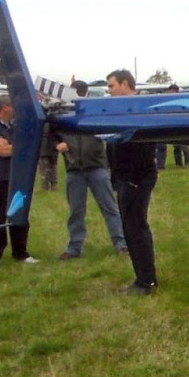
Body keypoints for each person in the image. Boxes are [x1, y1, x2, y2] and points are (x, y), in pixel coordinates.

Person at [54, 80, 127, 260]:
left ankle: (121, 243)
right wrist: (57, 144)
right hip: (74, 170)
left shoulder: (94, 109)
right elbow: (50, 134)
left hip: (97, 167)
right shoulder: (61, 112)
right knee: (76, 211)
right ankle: (74, 248)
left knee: (109, 207)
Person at [106, 69, 159, 294]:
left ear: (125, 84)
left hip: (135, 177)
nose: (108, 91)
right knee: (134, 227)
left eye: (111, 86)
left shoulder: (139, 110)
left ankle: (145, 282)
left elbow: (142, 146)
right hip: (126, 177)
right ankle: (145, 278)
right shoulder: (121, 111)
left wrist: (130, 179)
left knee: (135, 228)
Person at [0, 94, 38, 269]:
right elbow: (3, 152)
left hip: (18, 178)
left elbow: (28, 144)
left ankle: (21, 253)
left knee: (20, 216)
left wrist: (13, 146)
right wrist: (19, 146)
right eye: (14, 106)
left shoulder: (15, 126)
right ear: (5, 107)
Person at [165, 84, 189, 166]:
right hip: (172, 124)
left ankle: (188, 162)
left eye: (171, 90)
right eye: (169, 90)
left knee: (183, 144)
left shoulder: (181, 100)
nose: (169, 92)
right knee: (176, 145)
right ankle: (178, 163)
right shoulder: (169, 100)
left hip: (181, 123)